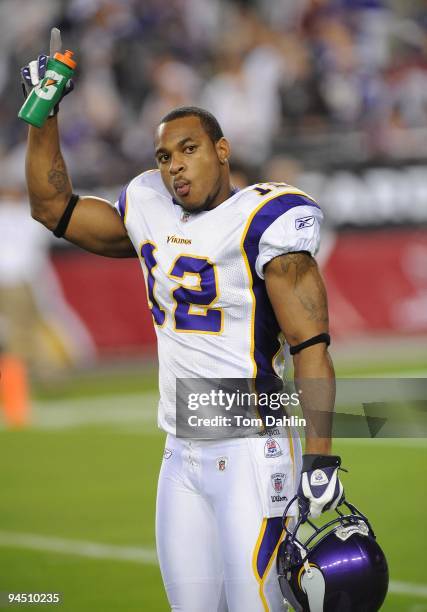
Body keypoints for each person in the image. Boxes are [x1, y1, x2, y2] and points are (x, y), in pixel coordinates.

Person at [21, 30, 344, 612]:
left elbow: (312, 347)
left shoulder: (266, 217)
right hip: (180, 452)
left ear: (222, 151)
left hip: (254, 445)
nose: (174, 166)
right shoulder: (146, 205)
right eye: (164, 156)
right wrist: (44, 112)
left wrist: (320, 458)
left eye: (188, 149)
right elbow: (54, 208)